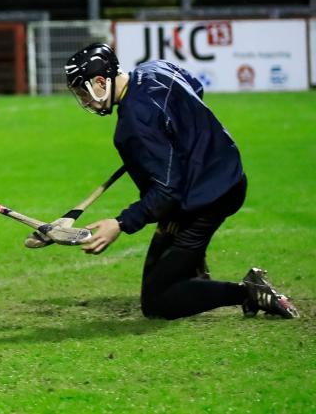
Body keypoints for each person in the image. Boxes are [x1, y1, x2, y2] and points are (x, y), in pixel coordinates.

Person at [63, 43, 299, 320]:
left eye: (83, 92)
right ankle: (194, 268)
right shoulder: (155, 69)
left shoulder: (133, 127)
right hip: (222, 175)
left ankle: (248, 292)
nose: (85, 101)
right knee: (159, 281)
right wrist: (176, 135)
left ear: (100, 81)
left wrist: (120, 224)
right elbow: (195, 87)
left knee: (157, 303)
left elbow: (167, 191)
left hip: (207, 197)